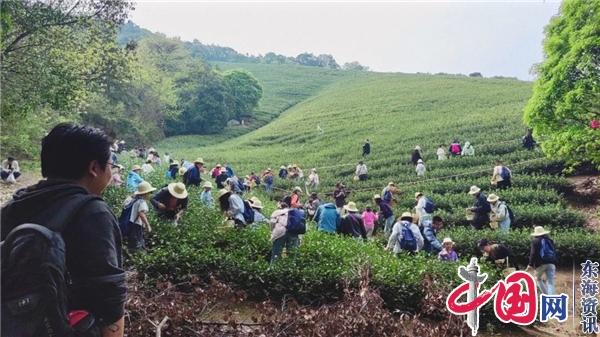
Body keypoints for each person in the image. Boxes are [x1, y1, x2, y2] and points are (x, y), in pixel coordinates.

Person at [1, 123, 127, 337]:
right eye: (110, 164)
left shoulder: (15, 204)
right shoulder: (93, 212)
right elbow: (109, 297)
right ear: (94, 168)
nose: (111, 169)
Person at [123, 181, 155, 252]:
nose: (150, 194)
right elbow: (142, 214)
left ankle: (131, 253)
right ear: (145, 193)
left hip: (130, 223)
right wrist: (148, 225)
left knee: (132, 240)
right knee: (138, 241)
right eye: (150, 193)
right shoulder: (142, 202)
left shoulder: (131, 199)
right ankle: (138, 254)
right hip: (137, 225)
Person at [526, 226, 557, 295]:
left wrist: (530, 264)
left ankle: (546, 295)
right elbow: (554, 251)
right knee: (550, 282)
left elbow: (533, 253)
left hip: (540, 264)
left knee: (538, 279)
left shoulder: (535, 241)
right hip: (551, 263)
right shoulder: (550, 240)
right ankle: (552, 297)